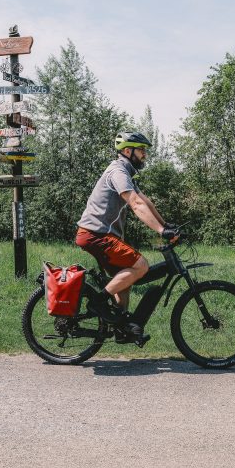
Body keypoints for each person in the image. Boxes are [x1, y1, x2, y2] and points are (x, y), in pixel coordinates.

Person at [75, 132, 179, 340]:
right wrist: (160, 231)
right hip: (96, 235)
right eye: (141, 150)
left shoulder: (126, 172)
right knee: (141, 266)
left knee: (125, 277)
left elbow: (145, 200)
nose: (145, 155)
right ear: (127, 151)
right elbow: (135, 203)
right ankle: (97, 302)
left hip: (100, 235)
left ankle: (121, 328)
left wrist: (165, 224)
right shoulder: (118, 172)